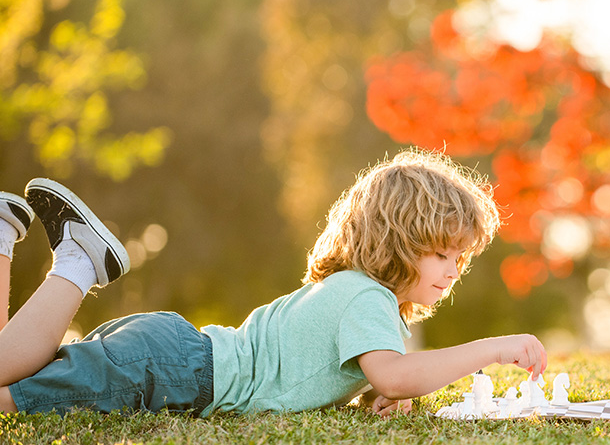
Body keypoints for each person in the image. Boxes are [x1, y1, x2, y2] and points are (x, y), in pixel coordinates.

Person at [0, 149, 547, 418]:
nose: (454, 269)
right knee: (7, 392)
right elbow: (399, 375)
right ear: (398, 240)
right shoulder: (366, 296)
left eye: (461, 257)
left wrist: (373, 394)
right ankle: (78, 259)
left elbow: (361, 379)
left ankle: (4, 239)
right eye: (441, 253)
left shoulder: (356, 293)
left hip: (172, 356)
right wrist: (490, 350)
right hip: (174, 370)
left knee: (18, 368)